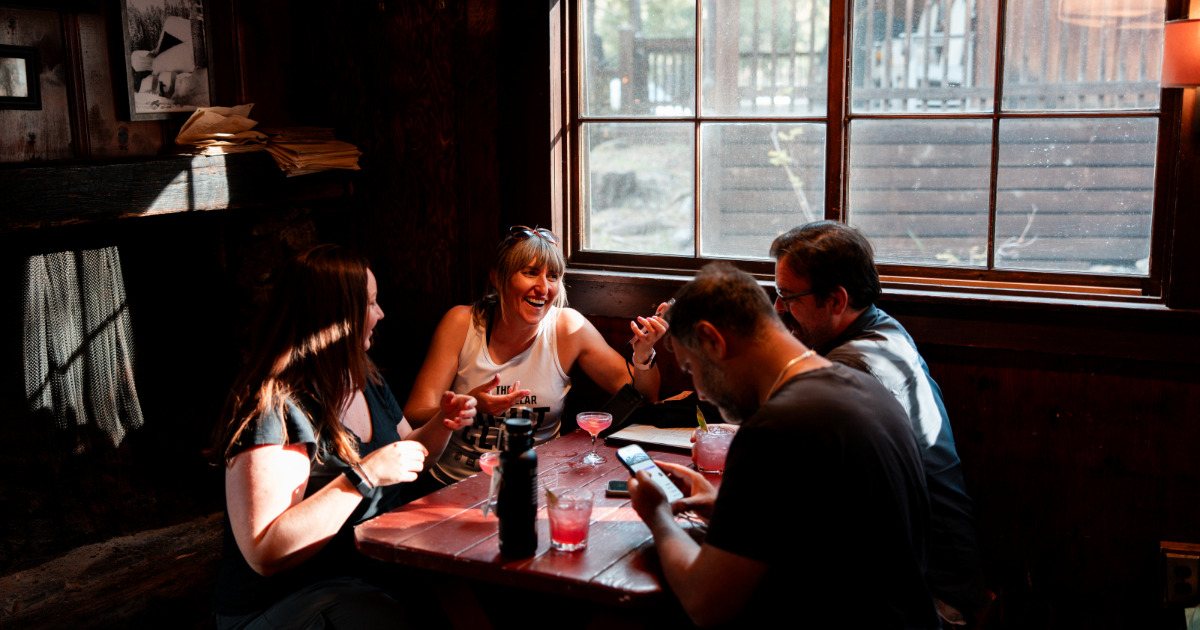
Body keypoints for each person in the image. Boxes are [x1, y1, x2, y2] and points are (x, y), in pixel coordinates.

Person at [628, 262, 938, 628]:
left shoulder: (776, 427)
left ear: (713, 340)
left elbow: (704, 603)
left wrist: (658, 514)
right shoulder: (860, 385)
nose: (700, 390)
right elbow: (831, 531)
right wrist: (727, 510)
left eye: (692, 368)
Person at [210, 244, 477, 630]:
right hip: (286, 601)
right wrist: (363, 476)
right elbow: (264, 552)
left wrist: (443, 424)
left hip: (366, 577)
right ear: (335, 317)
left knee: (468, 591)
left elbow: (410, 452)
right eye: (370, 304)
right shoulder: (275, 406)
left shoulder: (363, 378)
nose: (381, 314)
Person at [770, 220, 990, 625]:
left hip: (929, 595)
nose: (780, 308)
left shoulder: (852, 369)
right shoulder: (879, 326)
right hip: (933, 565)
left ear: (836, 299)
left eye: (788, 296)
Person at [405, 226, 668, 486]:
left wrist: (643, 354)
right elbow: (414, 414)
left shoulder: (568, 328)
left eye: (552, 276)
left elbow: (644, 398)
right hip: (453, 483)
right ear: (498, 278)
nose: (543, 288)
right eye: (530, 273)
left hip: (538, 484)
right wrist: (470, 405)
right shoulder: (461, 323)